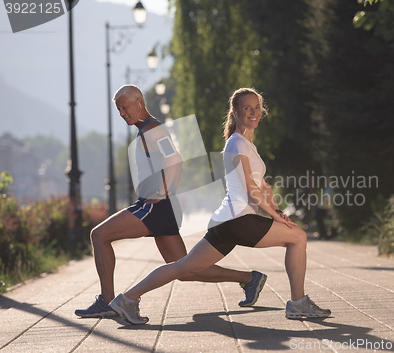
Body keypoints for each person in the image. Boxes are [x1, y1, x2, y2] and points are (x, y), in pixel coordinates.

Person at [110, 87, 331, 324]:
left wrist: (276, 210)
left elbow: (263, 186)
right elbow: (250, 187)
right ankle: (297, 303)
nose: (253, 112)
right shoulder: (237, 144)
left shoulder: (246, 145)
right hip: (238, 219)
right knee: (298, 237)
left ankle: (126, 299)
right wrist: (273, 217)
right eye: (247, 108)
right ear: (235, 112)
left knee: (184, 268)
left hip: (226, 221)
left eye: (257, 107)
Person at [75, 85, 266, 318]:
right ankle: (248, 279)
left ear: (139, 103)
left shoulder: (152, 129)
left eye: (125, 107)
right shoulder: (148, 128)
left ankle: (106, 301)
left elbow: (175, 160)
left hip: (154, 206)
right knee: (186, 270)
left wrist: (162, 191)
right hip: (161, 207)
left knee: (99, 235)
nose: (123, 113)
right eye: (119, 110)